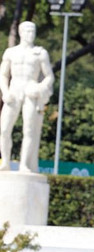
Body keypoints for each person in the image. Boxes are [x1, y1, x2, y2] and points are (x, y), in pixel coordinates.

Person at [0, 21, 54, 173]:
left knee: (29, 131)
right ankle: (5, 161)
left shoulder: (40, 53)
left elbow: (49, 76)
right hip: (14, 90)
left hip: (30, 91)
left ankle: (25, 164)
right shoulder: (10, 52)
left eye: (33, 31)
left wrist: (40, 88)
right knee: (4, 129)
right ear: (20, 32)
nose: (31, 34)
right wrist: (5, 92)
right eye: (27, 31)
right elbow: (3, 75)